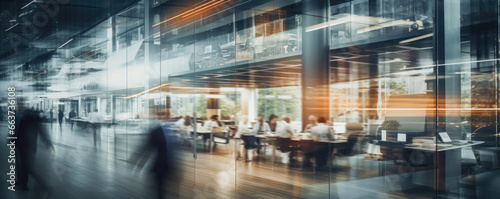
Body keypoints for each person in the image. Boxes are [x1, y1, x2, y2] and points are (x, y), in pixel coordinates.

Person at [132, 120, 181, 199]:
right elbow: (148, 147)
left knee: (169, 189)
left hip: (171, 165)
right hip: (160, 166)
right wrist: (138, 159)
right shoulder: (156, 132)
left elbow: (176, 149)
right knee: (161, 190)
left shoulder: (173, 131)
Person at [16, 99, 55, 197]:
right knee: (20, 164)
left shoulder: (32, 117)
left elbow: (42, 130)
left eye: (21, 104)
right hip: (20, 144)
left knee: (28, 167)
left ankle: (42, 185)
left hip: (29, 146)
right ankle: (20, 181)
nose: (20, 105)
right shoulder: (17, 116)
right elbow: (14, 129)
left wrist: (48, 143)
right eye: (18, 104)